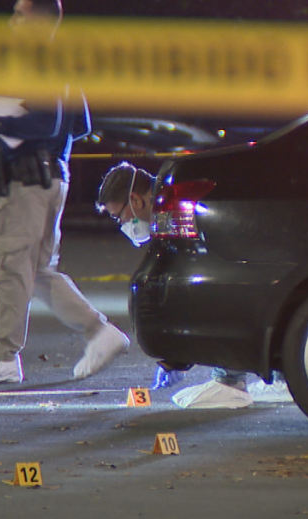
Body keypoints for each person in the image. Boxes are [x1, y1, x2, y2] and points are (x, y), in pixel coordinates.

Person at [0, 0, 131, 384]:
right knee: (38, 271)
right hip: (53, 177)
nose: (13, 22)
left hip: (29, 182)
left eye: (19, 15)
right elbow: (79, 123)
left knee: (14, 267)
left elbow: (45, 123)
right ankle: (100, 332)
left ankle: (3, 359)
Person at [96, 161, 292, 408]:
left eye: (118, 216)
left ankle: (230, 383)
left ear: (135, 201)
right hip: (273, 248)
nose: (121, 223)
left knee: (216, 291)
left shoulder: (173, 206)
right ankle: (281, 375)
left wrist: (174, 358)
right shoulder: (169, 198)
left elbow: (187, 278)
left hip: (260, 254)